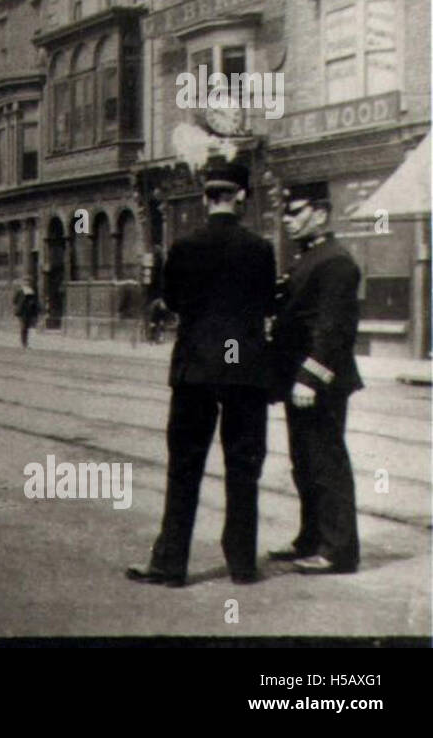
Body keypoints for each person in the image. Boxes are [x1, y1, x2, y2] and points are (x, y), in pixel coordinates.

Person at [126, 159, 276, 587]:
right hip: (243, 370)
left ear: (206, 197)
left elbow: (171, 301)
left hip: (196, 369)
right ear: (241, 198)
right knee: (243, 467)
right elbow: (267, 305)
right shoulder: (260, 249)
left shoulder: (184, 248)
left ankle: (171, 564)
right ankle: (243, 565)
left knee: (185, 468)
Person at [267, 195, 362, 574]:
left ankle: (339, 551)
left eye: (296, 213)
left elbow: (334, 328)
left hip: (318, 381)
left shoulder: (336, 261)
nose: (287, 221)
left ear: (321, 214)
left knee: (326, 463)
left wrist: (312, 377)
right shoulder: (309, 257)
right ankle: (310, 538)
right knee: (304, 462)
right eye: (285, 214)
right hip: (298, 379)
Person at [13, 278, 39, 348]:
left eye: (28, 282)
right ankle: (23, 343)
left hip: (29, 311)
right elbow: (14, 300)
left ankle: (26, 342)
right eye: (25, 282)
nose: (27, 284)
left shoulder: (31, 291)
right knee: (23, 327)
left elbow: (34, 301)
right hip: (21, 311)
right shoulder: (20, 291)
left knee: (27, 327)